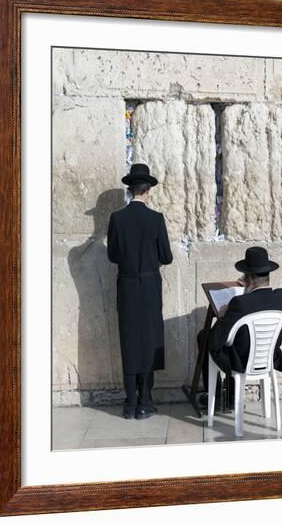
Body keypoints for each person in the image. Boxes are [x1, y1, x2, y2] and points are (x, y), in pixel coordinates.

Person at [107, 163, 173, 420]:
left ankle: (130, 402)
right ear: (148, 190)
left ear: (130, 189)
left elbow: (113, 255)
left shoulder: (117, 218)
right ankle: (146, 400)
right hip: (149, 287)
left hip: (126, 286)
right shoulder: (156, 219)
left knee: (129, 340)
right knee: (149, 340)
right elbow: (166, 257)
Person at [199, 246, 282, 408]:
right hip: (268, 358)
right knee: (238, 339)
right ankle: (233, 396)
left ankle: (217, 395)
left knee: (204, 337)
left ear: (250, 279)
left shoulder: (239, 303)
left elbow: (214, 342)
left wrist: (223, 316)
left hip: (242, 362)